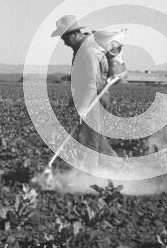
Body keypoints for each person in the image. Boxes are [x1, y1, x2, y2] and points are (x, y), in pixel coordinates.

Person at [51, 15, 118, 172]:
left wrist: (83, 107)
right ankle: (122, 170)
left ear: (74, 34)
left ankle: (87, 179)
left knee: (88, 141)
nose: (64, 43)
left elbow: (91, 84)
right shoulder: (82, 48)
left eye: (65, 38)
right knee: (98, 141)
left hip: (93, 100)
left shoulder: (88, 51)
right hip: (90, 98)